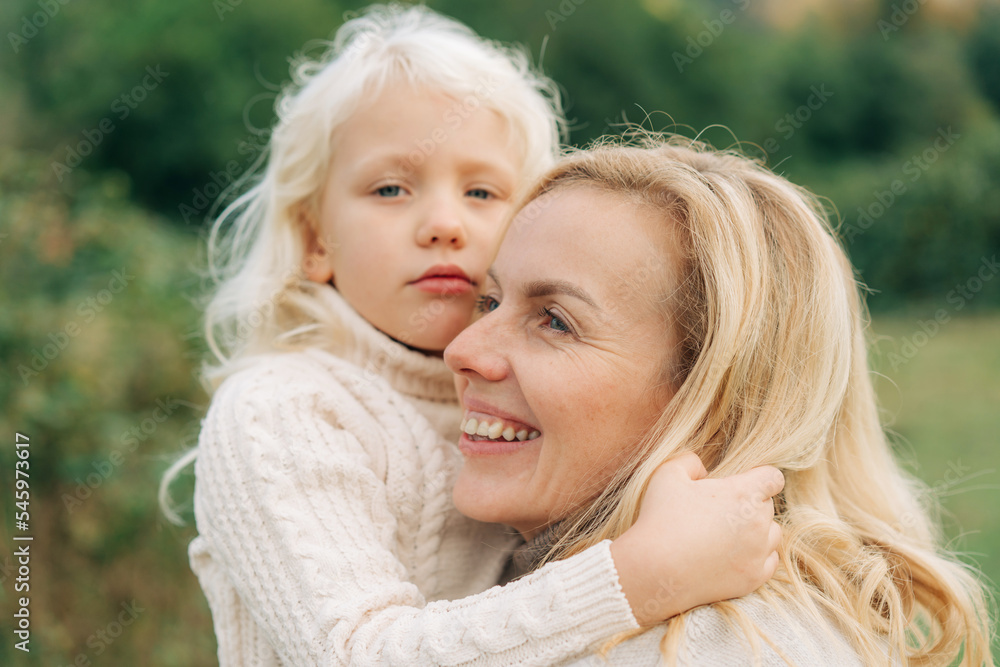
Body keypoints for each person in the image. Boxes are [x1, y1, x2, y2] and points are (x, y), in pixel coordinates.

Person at [162, 6, 786, 665]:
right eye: (391, 188)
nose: (443, 224)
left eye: (483, 192)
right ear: (316, 240)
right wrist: (642, 572)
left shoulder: (527, 399)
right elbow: (356, 654)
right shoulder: (283, 409)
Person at [444, 135, 995, 666]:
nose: (463, 350)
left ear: (713, 397)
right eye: (489, 301)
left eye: (556, 322)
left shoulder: (717, 650)